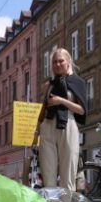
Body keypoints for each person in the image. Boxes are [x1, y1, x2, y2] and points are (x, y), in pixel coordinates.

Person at [35, 48, 87, 190]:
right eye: (54, 62)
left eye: (60, 61)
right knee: (48, 174)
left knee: (68, 176)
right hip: (48, 125)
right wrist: (36, 131)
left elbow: (82, 110)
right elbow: (43, 107)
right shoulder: (49, 84)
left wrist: (61, 101)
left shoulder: (77, 82)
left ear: (68, 62)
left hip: (68, 124)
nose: (57, 64)